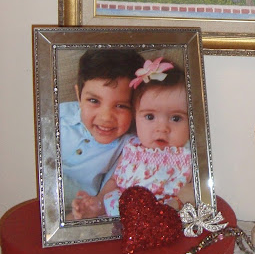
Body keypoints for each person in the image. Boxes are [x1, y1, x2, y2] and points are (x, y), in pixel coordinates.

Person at [71, 57, 193, 218]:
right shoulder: (131, 147)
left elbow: (194, 194)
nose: (162, 128)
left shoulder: (187, 156)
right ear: (135, 117)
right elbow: (114, 181)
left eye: (176, 118)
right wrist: (98, 203)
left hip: (162, 220)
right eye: (150, 117)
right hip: (119, 216)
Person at [60, 48, 145, 215]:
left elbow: (109, 193)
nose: (106, 117)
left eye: (121, 106)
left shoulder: (129, 147)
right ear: (78, 95)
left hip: (77, 208)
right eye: (93, 101)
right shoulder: (58, 116)